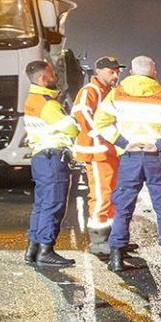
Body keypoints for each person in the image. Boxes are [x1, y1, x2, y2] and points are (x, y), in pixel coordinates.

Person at [93, 55, 161, 273]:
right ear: (154, 73)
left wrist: (123, 143)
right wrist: (160, 144)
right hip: (156, 158)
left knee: (123, 207)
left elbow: (100, 122)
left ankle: (116, 257)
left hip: (130, 157)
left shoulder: (117, 94)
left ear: (131, 73)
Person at [20, 59, 77, 267]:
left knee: (41, 205)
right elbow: (71, 129)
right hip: (53, 159)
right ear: (44, 78)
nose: (56, 76)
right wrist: (74, 121)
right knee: (53, 205)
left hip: (41, 158)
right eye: (52, 73)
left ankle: (33, 249)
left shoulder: (33, 100)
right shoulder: (48, 104)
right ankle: (46, 250)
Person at [70, 55, 123, 253]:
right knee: (102, 194)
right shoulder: (89, 91)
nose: (115, 75)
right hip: (97, 151)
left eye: (117, 72)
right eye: (111, 72)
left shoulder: (109, 92)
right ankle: (99, 240)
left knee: (112, 193)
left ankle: (113, 238)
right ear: (98, 71)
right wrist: (103, 135)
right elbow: (82, 114)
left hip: (109, 150)